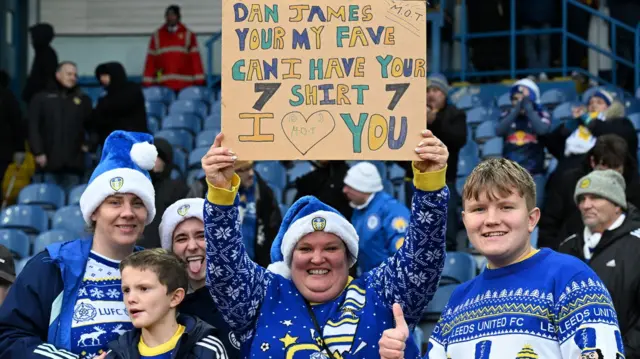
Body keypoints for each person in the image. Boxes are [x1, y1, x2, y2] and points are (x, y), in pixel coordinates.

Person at [202, 130, 449, 358]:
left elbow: (422, 258)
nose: (317, 258)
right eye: (305, 248)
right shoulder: (264, 295)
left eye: (331, 248)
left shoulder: (381, 292)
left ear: (349, 255)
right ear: (289, 257)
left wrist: (430, 183)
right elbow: (225, 270)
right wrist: (221, 193)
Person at [426, 158, 625, 358]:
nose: (491, 220)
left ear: (531, 219)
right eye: (479, 209)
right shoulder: (458, 300)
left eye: (506, 207)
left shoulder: (572, 280)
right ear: (465, 220)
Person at [0, 130, 159, 358]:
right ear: (94, 211)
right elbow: (9, 337)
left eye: (137, 203)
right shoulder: (52, 265)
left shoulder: (160, 271)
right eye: (114, 202)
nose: (127, 213)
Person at [559, 170, 640, 357]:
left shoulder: (636, 246)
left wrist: (622, 353)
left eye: (595, 197)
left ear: (617, 205)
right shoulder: (567, 247)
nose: (586, 205)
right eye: (582, 199)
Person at [104, 249, 228, 359]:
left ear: (175, 297)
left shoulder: (206, 350)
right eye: (126, 290)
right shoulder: (116, 354)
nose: (130, 298)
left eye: (143, 288)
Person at [158, 198, 241, 358]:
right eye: (181, 238)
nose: (192, 246)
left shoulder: (248, 294)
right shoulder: (166, 306)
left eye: (201, 235)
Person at [399, 73, 466, 251]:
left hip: (444, 181)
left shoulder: (455, 115)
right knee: (416, 231)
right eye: (427, 90)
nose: (430, 94)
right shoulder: (413, 116)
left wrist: (434, 121)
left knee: (446, 230)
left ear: (445, 94)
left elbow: (458, 139)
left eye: (436, 90)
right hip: (413, 182)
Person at [539, 134, 640, 249]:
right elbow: (549, 226)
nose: (609, 177)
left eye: (616, 170)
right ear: (593, 162)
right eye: (604, 169)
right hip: (570, 252)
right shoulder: (568, 181)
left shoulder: (635, 187)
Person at [187, 161, 281, 268]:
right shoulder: (202, 189)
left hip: (254, 268)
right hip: (214, 268)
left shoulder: (263, 191)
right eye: (242, 170)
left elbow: (274, 230)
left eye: (251, 167)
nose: (251, 173)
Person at [27, 61, 92, 189]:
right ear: (58, 75)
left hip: (74, 166)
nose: (73, 78)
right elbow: (33, 128)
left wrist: (89, 145)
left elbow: (93, 125)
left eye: (75, 75)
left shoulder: (83, 100)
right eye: (69, 74)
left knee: (74, 205)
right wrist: (38, 152)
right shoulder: (41, 98)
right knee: (48, 203)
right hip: (48, 165)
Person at [342, 162, 411, 275]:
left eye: (349, 186)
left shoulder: (392, 211)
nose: (344, 190)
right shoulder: (359, 210)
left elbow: (404, 257)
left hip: (391, 282)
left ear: (362, 188)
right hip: (370, 281)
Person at [496, 79, 551, 185]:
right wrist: (516, 110)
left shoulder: (541, 115)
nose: (519, 102)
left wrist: (528, 108)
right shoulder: (507, 115)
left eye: (523, 99)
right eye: (515, 99)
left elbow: (542, 130)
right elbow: (499, 131)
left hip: (535, 174)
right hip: (509, 175)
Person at [142, 5, 205, 93]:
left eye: (173, 15)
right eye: (168, 15)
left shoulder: (188, 35)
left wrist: (199, 80)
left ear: (178, 17)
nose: (170, 17)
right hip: (162, 85)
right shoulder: (157, 36)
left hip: (185, 85)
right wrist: (147, 81)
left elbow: (195, 59)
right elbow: (151, 60)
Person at [140, 138, 188, 249]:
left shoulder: (178, 188)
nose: (154, 160)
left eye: (158, 157)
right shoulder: (137, 187)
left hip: (163, 252)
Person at [90, 62, 148, 147]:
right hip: (111, 145)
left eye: (105, 75)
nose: (102, 79)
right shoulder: (104, 96)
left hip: (132, 143)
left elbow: (120, 106)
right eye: (100, 76)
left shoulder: (132, 89)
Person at [22, 23, 58, 104]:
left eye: (34, 37)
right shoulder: (43, 54)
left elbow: (47, 79)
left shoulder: (46, 55)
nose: (32, 41)